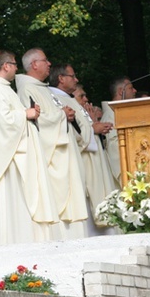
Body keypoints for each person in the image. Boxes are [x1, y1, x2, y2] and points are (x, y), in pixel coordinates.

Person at [0, 50, 58, 245]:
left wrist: (27, 114)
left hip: (15, 156)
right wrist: (26, 114)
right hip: (9, 162)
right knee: (13, 203)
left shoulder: (2, 89)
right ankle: (15, 241)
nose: (17, 69)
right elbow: (2, 124)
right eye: (15, 64)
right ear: (6, 66)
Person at [16, 49, 87, 237]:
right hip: (51, 155)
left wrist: (66, 115)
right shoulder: (27, 89)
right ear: (34, 65)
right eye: (45, 60)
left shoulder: (42, 88)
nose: (49, 64)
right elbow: (35, 122)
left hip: (63, 150)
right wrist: (62, 114)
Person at [49, 64, 119, 236]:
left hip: (93, 159)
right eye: (73, 76)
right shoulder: (56, 99)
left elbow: (82, 126)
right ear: (61, 78)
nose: (76, 79)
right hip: (84, 161)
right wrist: (92, 128)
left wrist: (93, 125)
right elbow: (73, 131)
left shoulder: (69, 99)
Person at [101, 76, 137, 182]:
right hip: (126, 172)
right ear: (121, 91)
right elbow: (114, 151)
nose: (135, 91)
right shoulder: (110, 116)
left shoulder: (118, 114)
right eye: (131, 88)